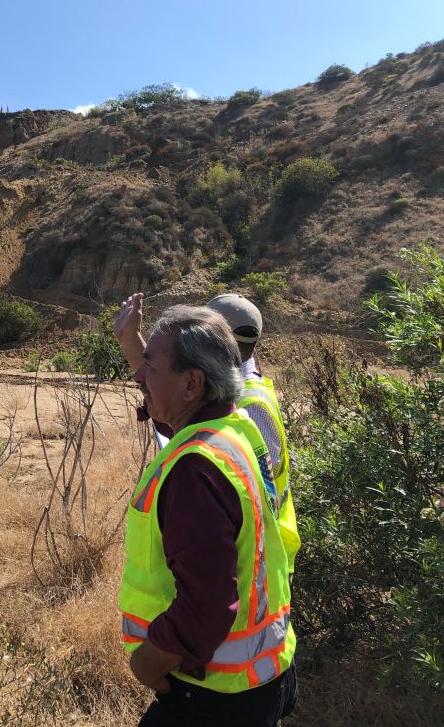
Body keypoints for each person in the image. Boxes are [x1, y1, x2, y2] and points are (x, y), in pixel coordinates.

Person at [118, 305, 296, 726]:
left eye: (150, 366)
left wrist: (148, 662)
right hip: (262, 678)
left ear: (192, 383)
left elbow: (208, 606)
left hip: (212, 695)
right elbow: (173, 418)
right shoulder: (235, 429)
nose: (138, 377)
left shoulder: (194, 470)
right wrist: (133, 344)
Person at [114, 292, 300, 572]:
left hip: (254, 564)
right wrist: (131, 340)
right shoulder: (237, 396)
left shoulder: (248, 405)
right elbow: (175, 405)